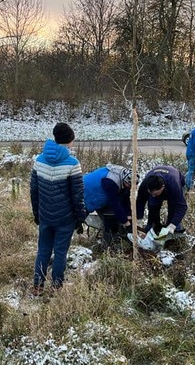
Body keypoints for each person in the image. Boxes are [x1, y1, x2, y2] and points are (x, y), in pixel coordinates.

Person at [30, 123, 85, 295]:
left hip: (45, 216)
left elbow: (34, 191)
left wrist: (37, 214)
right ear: (69, 141)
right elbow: (77, 195)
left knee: (43, 250)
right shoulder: (73, 164)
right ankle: (56, 288)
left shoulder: (39, 161)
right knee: (60, 252)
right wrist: (80, 218)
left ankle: (37, 286)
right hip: (65, 219)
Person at [83, 164, 134, 247]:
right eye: (129, 185)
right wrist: (126, 223)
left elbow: (125, 199)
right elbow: (115, 203)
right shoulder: (112, 182)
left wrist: (129, 217)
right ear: (124, 181)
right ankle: (107, 246)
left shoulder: (125, 177)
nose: (129, 187)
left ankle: (114, 239)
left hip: (102, 192)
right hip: (89, 192)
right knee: (110, 218)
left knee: (114, 216)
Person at [135, 165, 187, 239]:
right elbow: (140, 201)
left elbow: (182, 207)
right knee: (152, 205)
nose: (153, 195)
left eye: (156, 193)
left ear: (163, 187)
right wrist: (139, 219)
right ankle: (153, 229)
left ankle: (174, 233)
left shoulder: (174, 185)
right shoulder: (145, 184)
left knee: (173, 208)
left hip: (173, 180)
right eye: (151, 193)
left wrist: (172, 225)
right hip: (159, 180)